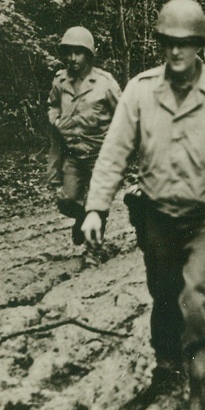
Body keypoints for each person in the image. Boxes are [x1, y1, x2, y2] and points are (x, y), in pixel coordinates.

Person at [81, 0, 205, 410]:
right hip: (157, 216)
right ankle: (166, 366)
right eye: (168, 43)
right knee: (163, 296)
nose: (175, 53)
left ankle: (200, 394)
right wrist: (95, 208)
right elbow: (113, 153)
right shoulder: (140, 91)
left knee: (198, 299)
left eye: (185, 44)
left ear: (199, 45)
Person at [47, 26, 122, 259]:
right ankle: (82, 217)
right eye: (68, 53)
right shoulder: (60, 81)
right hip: (73, 153)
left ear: (89, 54)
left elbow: (125, 114)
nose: (72, 58)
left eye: (78, 52)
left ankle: (94, 250)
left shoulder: (104, 83)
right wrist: (55, 118)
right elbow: (53, 104)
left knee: (97, 203)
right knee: (67, 200)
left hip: (101, 155)